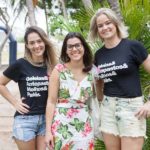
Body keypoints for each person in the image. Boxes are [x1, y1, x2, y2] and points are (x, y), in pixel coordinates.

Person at [89, 7, 150, 150]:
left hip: (131, 108)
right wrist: (97, 85)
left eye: (108, 23)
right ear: (97, 30)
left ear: (115, 23)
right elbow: (99, 94)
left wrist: (149, 103)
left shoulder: (133, 46)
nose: (105, 27)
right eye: (100, 26)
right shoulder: (98, 55)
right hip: (107, 108)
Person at [0, 26, 57, 150]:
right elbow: (0, 83)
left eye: (39, 41)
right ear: (27, 45)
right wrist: (15, 102)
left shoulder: (53, 65)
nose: (36, 45)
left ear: (45, 42)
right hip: (25, 120)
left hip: (46, 121)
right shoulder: (21, 64)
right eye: (32, 43)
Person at [45, 32, 95, 150]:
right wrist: (48, 131)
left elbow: (98, 98)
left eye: (77, 45)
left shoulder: (93, 71)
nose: (74, 49)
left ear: (83, 47)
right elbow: (51, 102)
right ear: (66, 51)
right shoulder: (59, 70)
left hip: (84, 126)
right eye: (70, 46)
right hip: (61, 126)